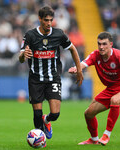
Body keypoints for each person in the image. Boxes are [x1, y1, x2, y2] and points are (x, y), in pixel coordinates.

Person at [68, 31, 120, 146]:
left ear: (111, 44)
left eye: (104, 44)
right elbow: (84, 63)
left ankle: (106, 135)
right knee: (88, 113)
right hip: (110, 90)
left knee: (115, 100)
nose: (101, 47)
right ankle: (94, 139)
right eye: (99, 44)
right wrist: (77, 68)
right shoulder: (95, 55)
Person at [19, 6, 83, 144]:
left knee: (55, 114)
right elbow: (20, 57)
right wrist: (23, 55)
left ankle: (46, 120)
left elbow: (73, 49)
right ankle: (40, 141)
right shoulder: (30, 35)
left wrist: (79, 69)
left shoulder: (59, 34)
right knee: (36, 114)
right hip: (36, 79)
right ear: (40, 19)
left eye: (50, 20)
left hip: (53, 78)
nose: (48, 23)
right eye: (46, 20)